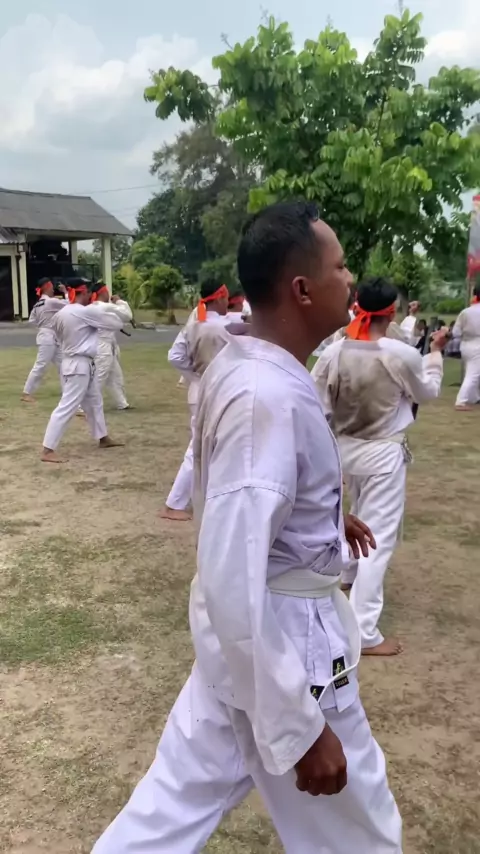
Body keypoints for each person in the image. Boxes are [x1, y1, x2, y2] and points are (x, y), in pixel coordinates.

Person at [92, 202, 402, 854]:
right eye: (340, 266)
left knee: (165, 816)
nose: (351, 278)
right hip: (285, 648)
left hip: (244, 651)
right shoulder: (266, 395)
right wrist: (299, 727)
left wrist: (322, 517)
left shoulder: (251, 367)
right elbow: (233, 570)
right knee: (363, 835)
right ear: (303, 289)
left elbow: (258, 502)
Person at [312, 277, 447, 656]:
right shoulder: (399, 353)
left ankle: (347, 573)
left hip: (342, 450)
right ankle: (364, 630)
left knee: (355, 517)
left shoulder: (333, 352)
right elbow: (427, 393)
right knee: (378, 537)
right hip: (382, 453)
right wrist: (435, 355)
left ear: (358, 305)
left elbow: (316, 404)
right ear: (392, 311)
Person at [160, 279, 230, 521]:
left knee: (208, 446)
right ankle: (174, 503)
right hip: (217, 391)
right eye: (225, 297)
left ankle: (207, 496)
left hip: (199, 390)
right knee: (199, 448)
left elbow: (175, 356)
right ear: (219, 297)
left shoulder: (194, 325)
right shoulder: (227, 327)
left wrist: (195, 376)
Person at [41, 280, 125, 463]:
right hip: (78, 364)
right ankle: (48, 449)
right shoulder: (84, 312)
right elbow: (117, 323)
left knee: (95, 401)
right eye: (87, 292)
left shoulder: (61, 313)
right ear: (82, 292)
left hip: (77, 362)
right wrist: (109, 307)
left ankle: (102, 437)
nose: (89, 295)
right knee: (67, 405)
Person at [21, 278, 67, 402]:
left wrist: (43, 323)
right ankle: (27, 392)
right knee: (41, 364)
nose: (53, 289)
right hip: (48, 336)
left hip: (47, 335)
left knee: (63, 365)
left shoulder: (38, 304)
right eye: (51, 287)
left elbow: (32, 320)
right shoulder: (51, 302)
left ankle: (67, 391)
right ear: (47, 287)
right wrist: (65, 291)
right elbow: (70, 304)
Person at [90, 282, 133, 410]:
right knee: (100, 376)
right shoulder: (104, 306)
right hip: (103, 346)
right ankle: (83, 405)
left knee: (115, 376)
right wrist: (119, 301)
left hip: (103, 344)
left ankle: (122, 403)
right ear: (103, 292)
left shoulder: (93, 306)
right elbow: (127, 315)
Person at [452, 285, 480, 410]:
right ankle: (461, 401)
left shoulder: (466, 311)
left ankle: (474, 397)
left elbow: (456, 332)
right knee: (473, 374)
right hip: (478, 344)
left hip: (465, 344)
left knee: (472, 371)